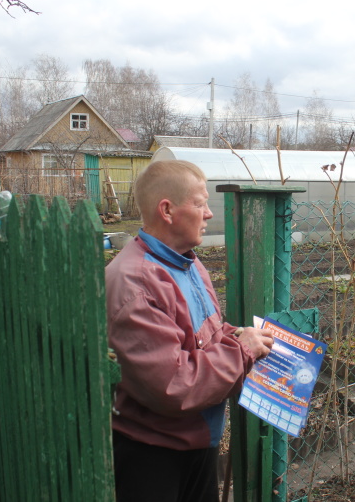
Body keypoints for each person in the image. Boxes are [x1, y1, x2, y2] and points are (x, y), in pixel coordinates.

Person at [105, 160, 274, 502]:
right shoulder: (136, 282)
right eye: (200, 204)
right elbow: (173, 386)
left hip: (194, 441)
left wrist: (238, 335)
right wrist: (243, 350)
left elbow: (206, 334)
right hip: (154, 454)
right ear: (167, 210)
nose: (209, 213)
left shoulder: (187, 262)